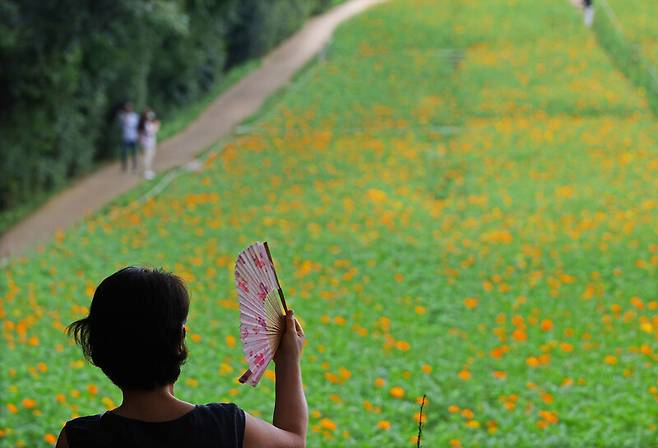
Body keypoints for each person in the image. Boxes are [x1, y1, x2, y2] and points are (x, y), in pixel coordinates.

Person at [55, 267, 307, 448]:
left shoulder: (78, 439)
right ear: (179, 340)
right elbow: (294, 441)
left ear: (98, 350)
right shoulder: (225, 428)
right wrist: (288, 362)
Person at [139, 109, 161, 180]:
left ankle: (149, 170)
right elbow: (150, 133)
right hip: (147, 142)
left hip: (151, 142)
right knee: (147, 157)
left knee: (151, 156)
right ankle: (146, 172)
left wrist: (156, 125)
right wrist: (157, 126)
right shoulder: (145, 124)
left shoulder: (150, 123)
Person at [118, 103, 140, 172]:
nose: (128, 109)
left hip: (133, 136)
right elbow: (120, 126)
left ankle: (135, 166)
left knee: (134, 152)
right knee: (124, 153)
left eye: (129, 108)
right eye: (126, 108)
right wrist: (124, 119)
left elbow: (135, 125)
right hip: (125, 137)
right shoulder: (122, 116)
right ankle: (124, 167)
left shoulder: (135, 116)